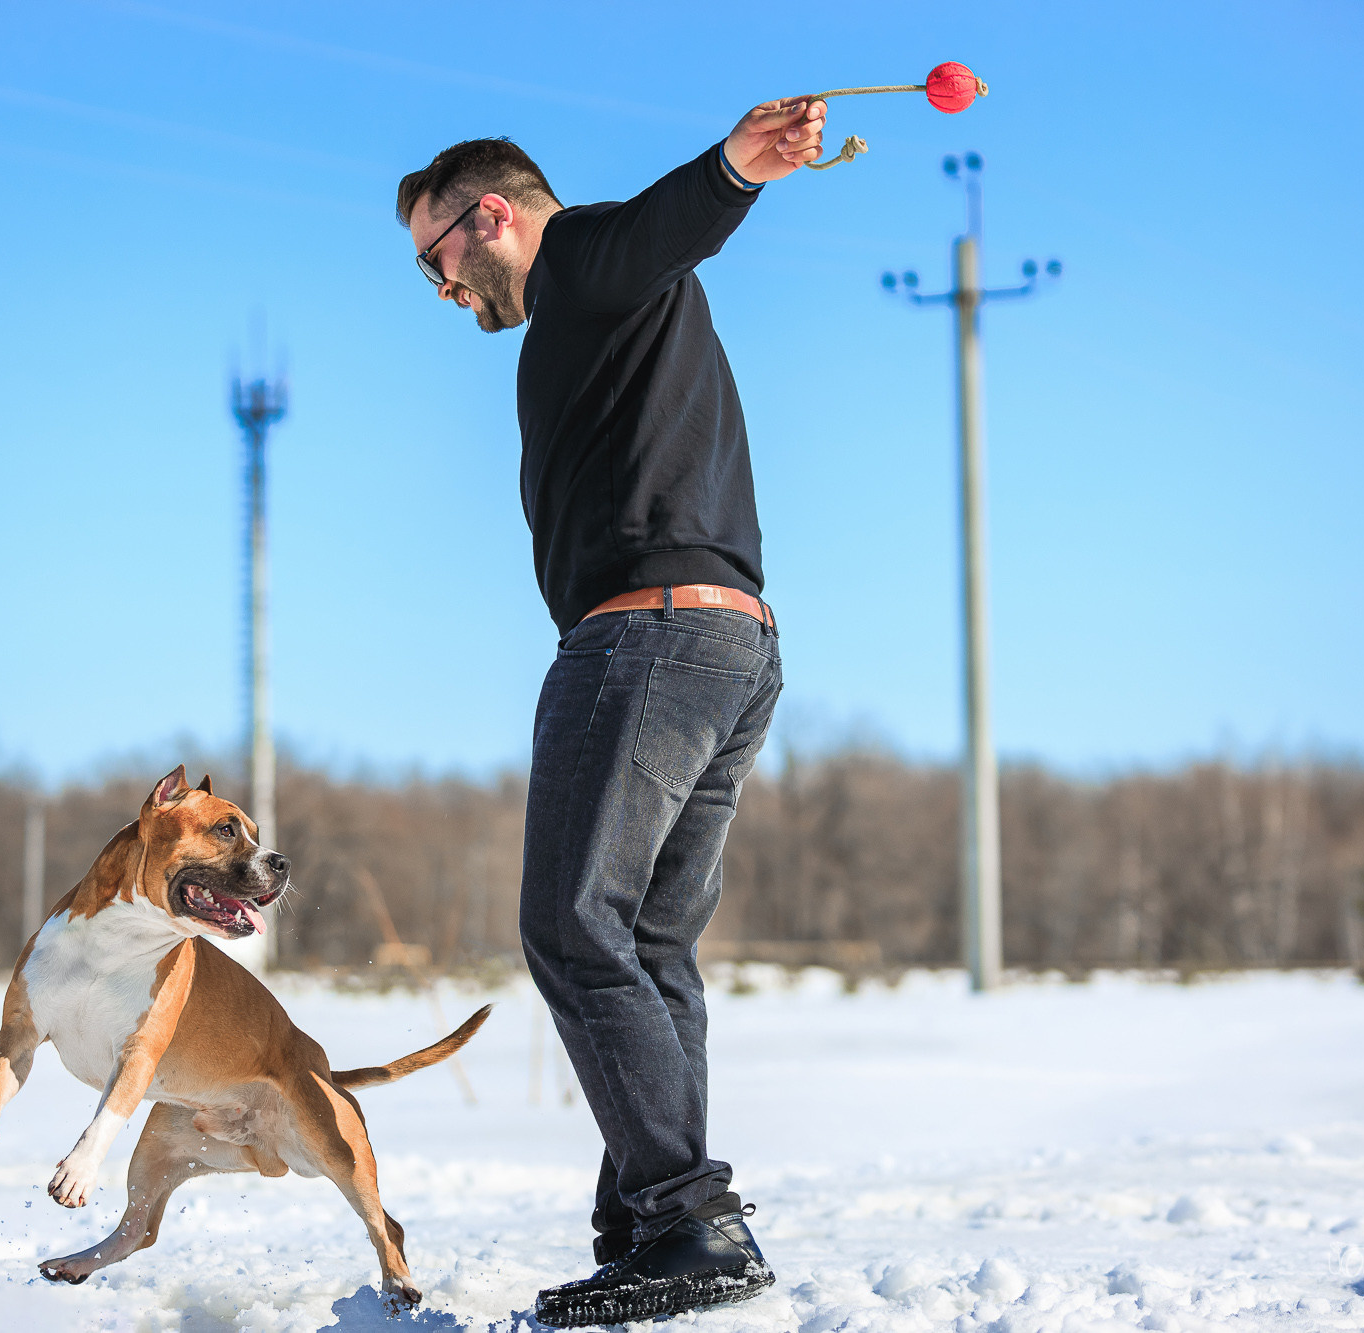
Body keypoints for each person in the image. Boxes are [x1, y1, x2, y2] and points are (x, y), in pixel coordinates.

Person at [395, 97, 827, 1327]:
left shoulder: (580, 258)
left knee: (573, 928)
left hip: (643, 638)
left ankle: (689, 1218)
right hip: (728, 640)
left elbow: (660, 226)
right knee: (643, 947)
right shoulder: (600, 310)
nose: (437, 288)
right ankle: (654, 1229)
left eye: (434, 257)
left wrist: (737, 167)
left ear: (489, 218)